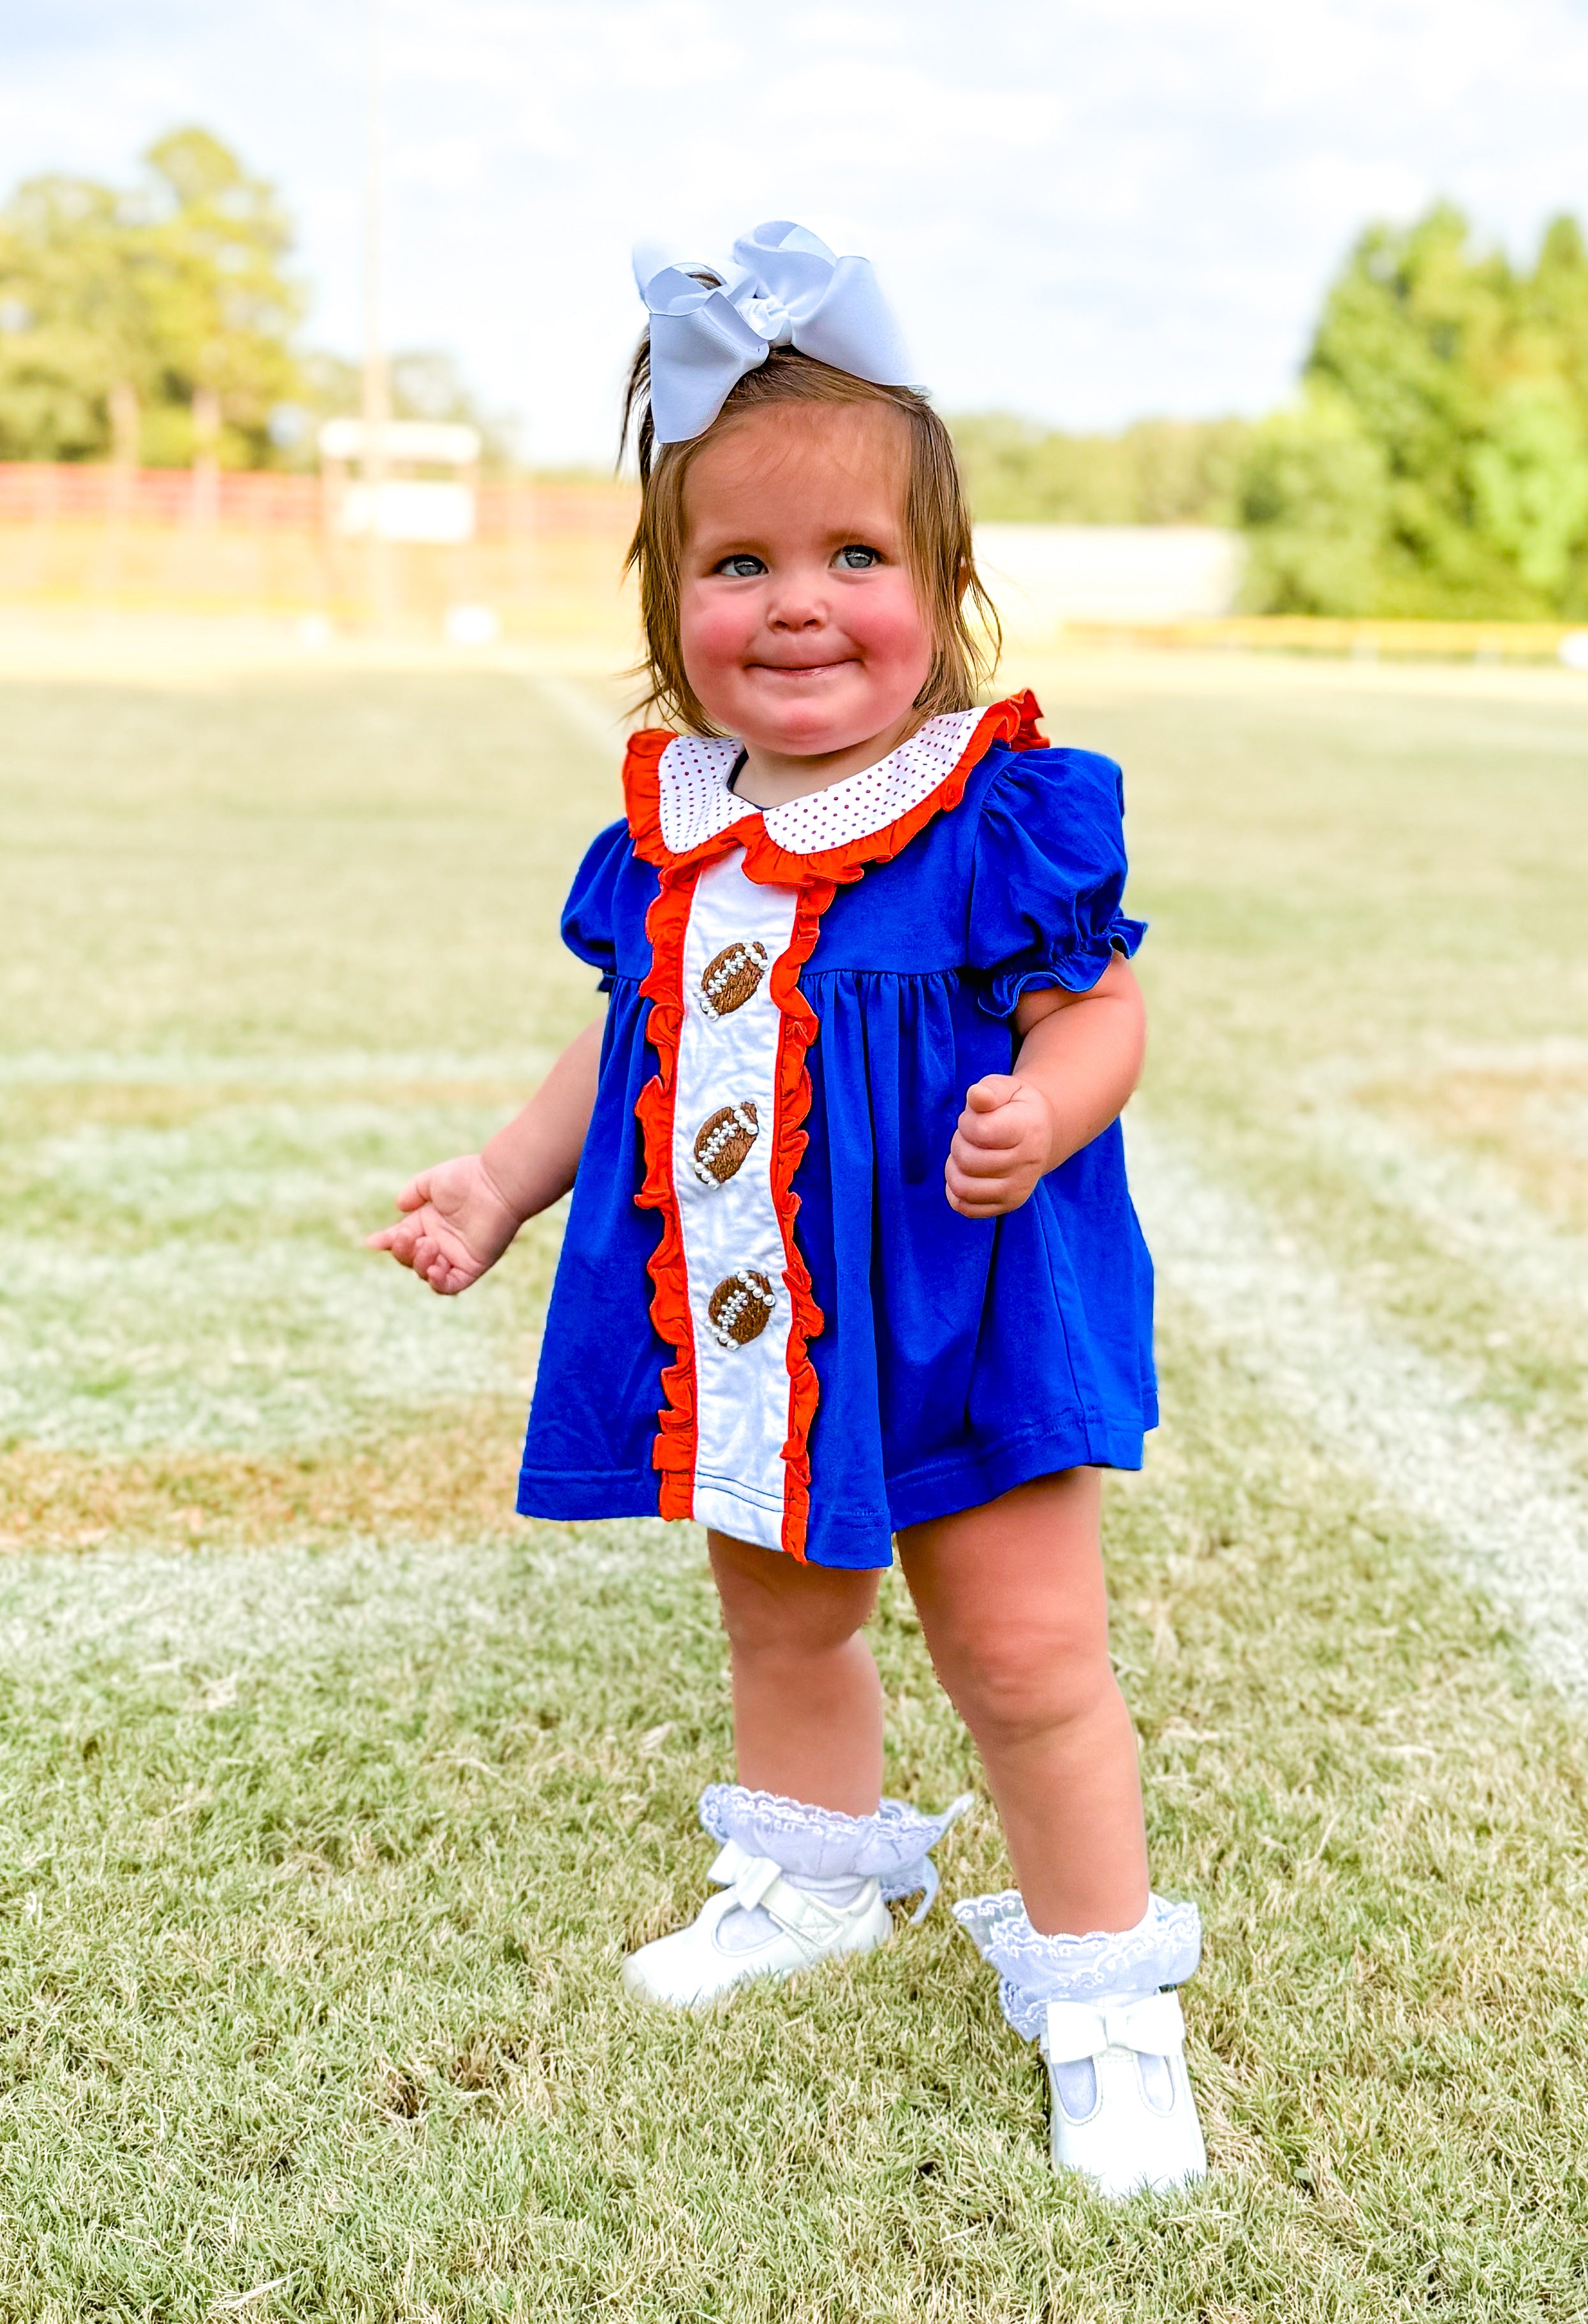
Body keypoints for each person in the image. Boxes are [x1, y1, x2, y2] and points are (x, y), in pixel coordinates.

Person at [370, 223, 1205, 2198]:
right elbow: (630, 1039)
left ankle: (1103, 2000)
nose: (798, 606)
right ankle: (817, 1883)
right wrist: (500, 1181)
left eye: (854, 560)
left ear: (943, 590)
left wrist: (1046, 1103)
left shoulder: (995, 808)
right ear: (671, 603)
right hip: (753, 1313)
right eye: (739, 565)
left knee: (1022, 1660)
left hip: (963, 1301)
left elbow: (1103, 1001)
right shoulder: (676, 824)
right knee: (783, 1612)